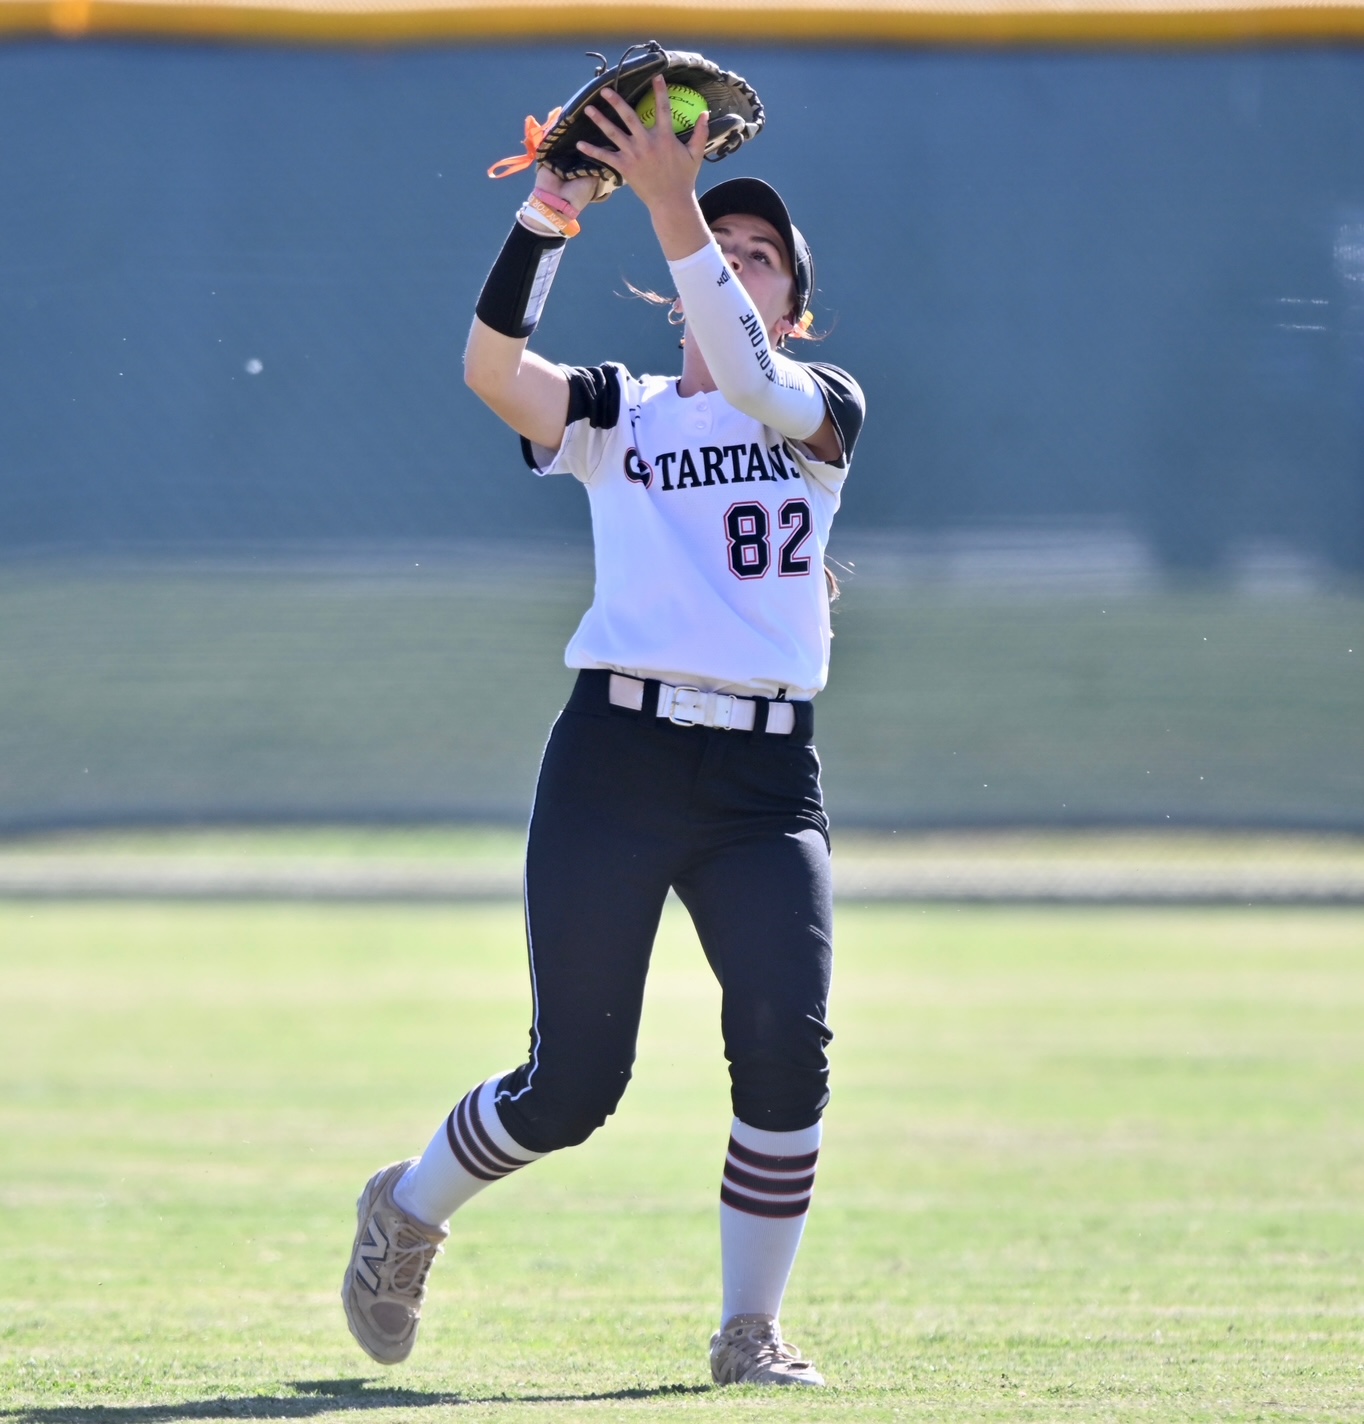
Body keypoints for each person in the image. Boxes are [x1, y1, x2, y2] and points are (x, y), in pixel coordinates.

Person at [341, 74, 865, 1389]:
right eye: (718, 246)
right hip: (615, 765)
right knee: (573, 1086)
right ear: (676, 293)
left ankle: (749, 1330)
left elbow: (750, 373)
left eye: (759, 258)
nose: (731, 262)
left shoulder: (821, 408)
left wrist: (675, 202)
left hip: (763, 781)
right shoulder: (618, 413)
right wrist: (553, 213)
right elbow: (488, 371)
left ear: (791, 309)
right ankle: (406, 1210)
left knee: (787, 1051)